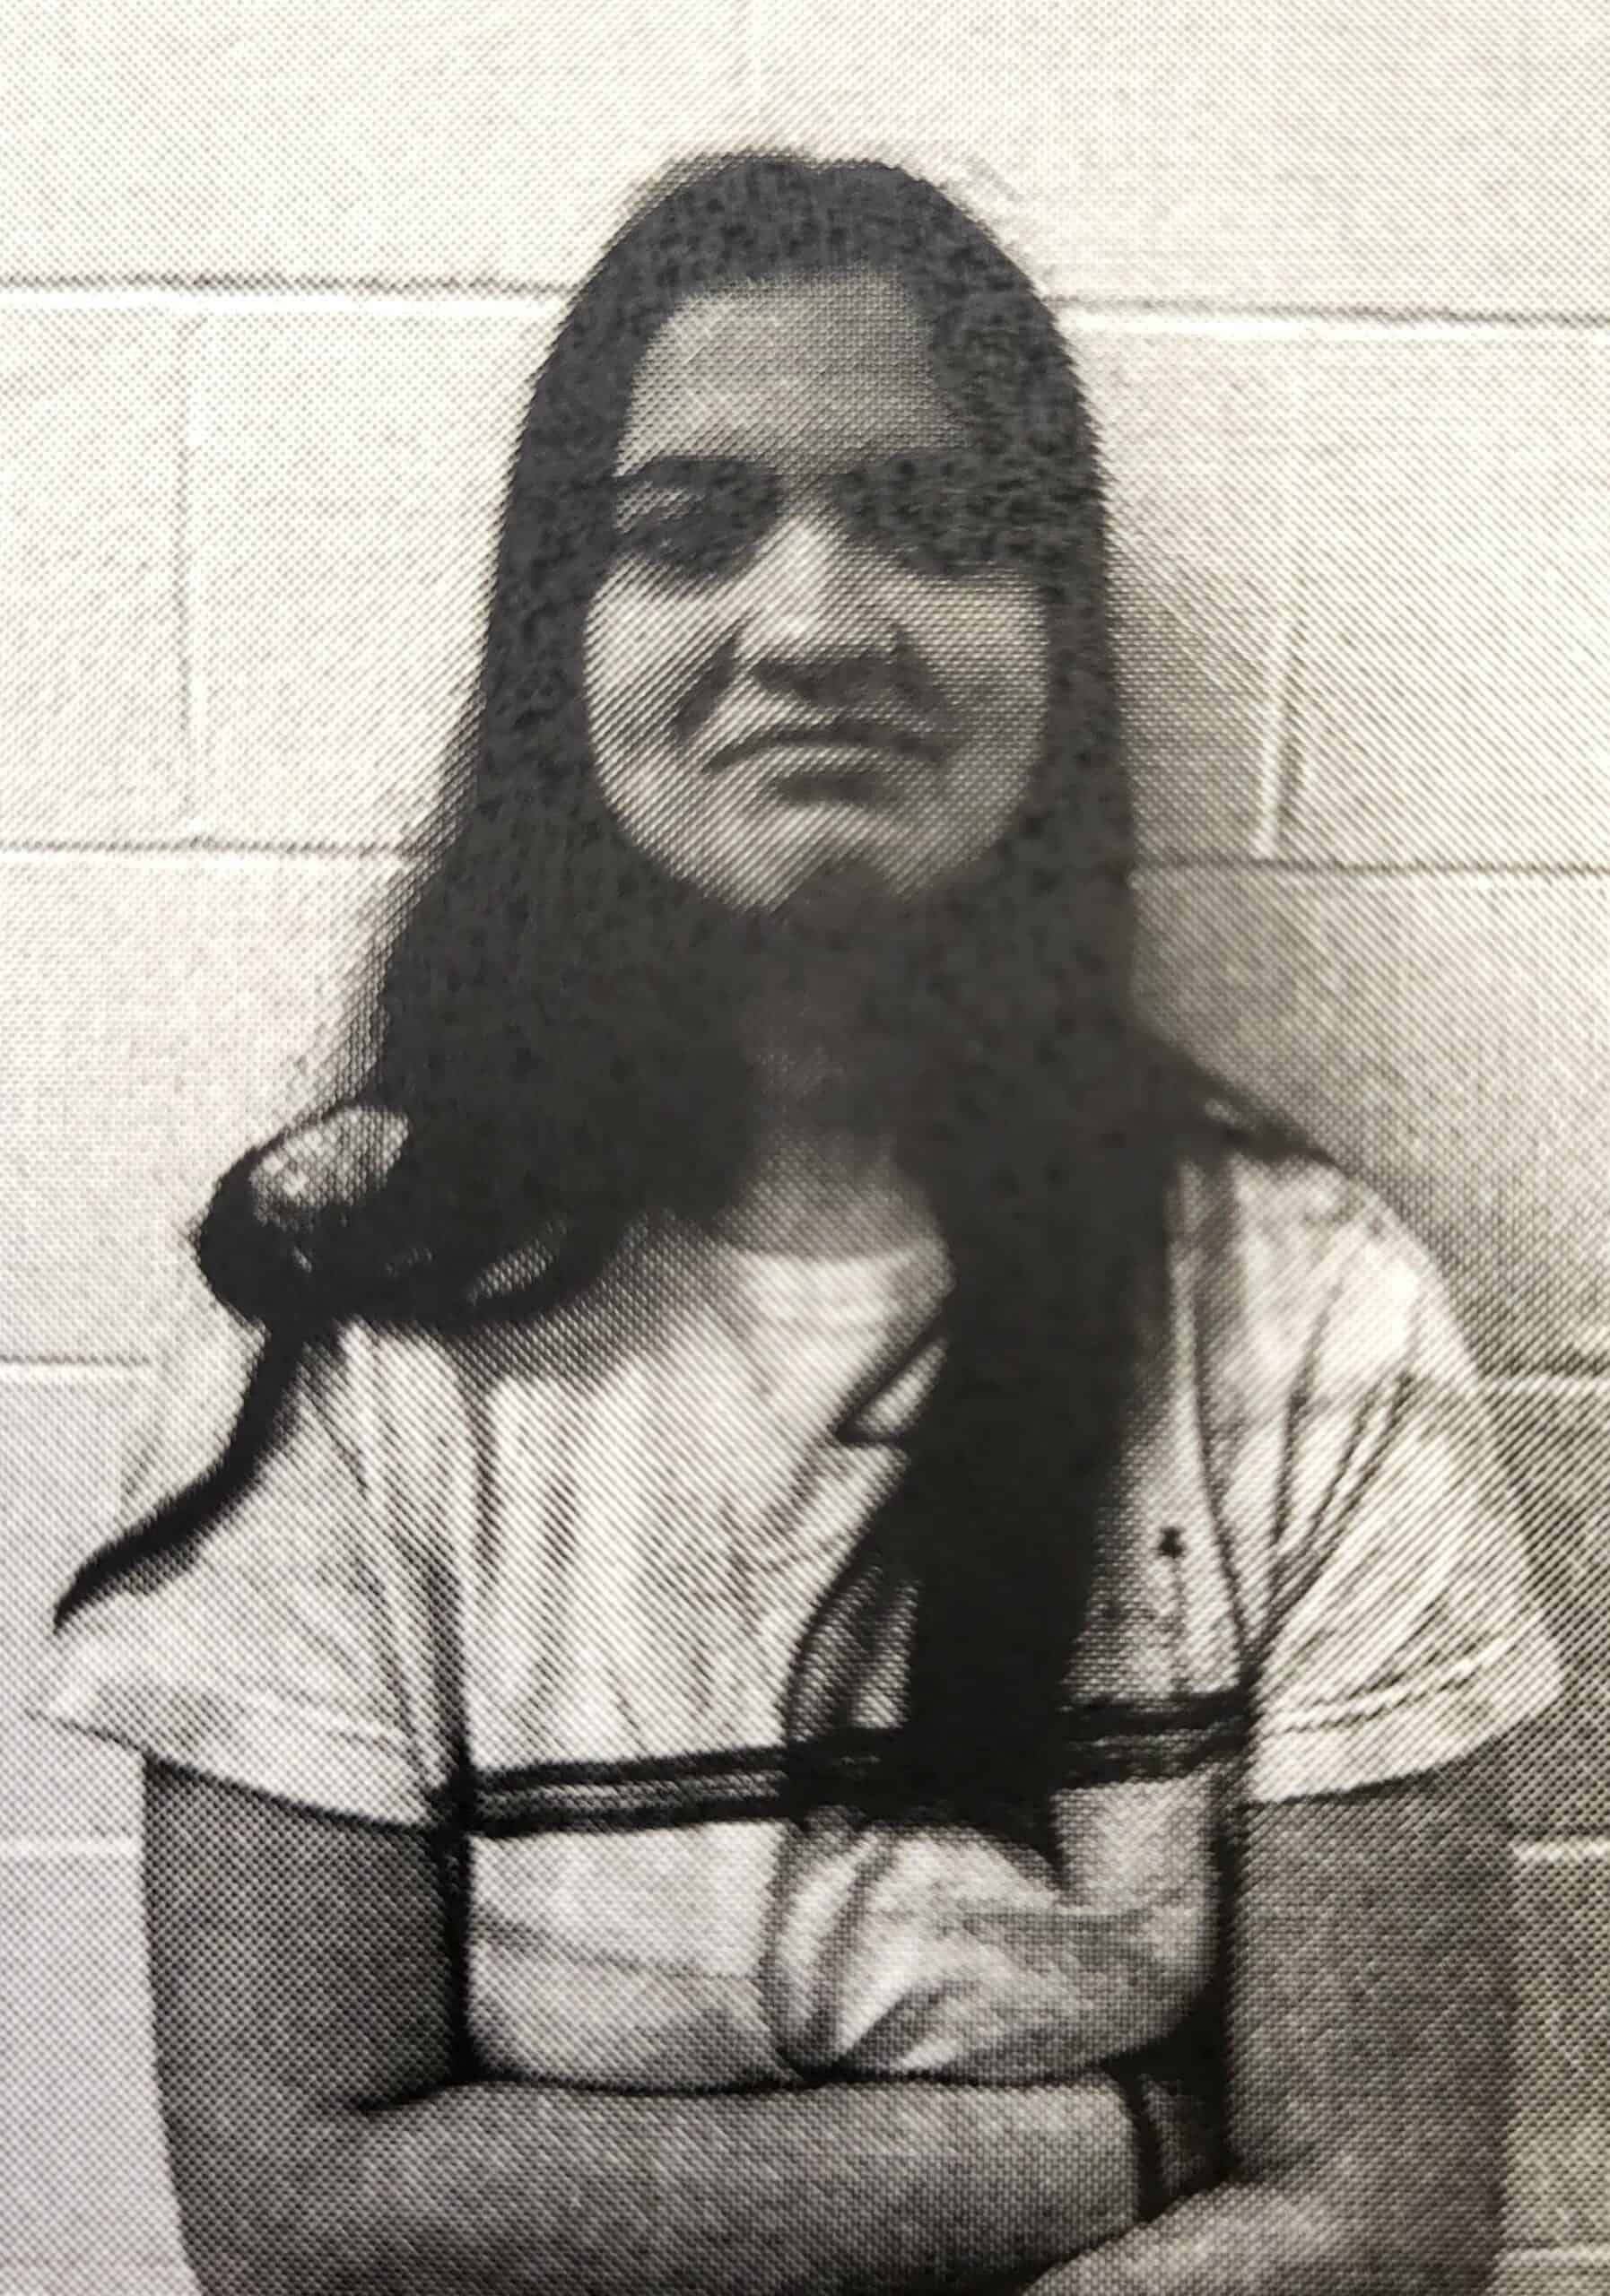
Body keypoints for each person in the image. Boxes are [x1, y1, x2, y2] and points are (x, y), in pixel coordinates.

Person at [39, 150, 1561, 2296]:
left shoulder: (1306, 1312)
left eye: (934, 522)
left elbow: (1379, 2217)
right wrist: (1126, 2134)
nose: (819, 621)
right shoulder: (341, 1304)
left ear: (1059, 640)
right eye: (688, 531)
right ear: (563, 642)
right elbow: (300, 2216)